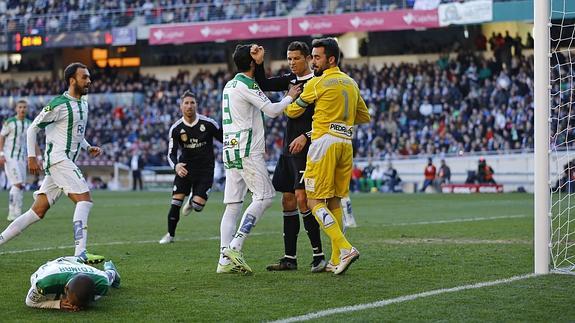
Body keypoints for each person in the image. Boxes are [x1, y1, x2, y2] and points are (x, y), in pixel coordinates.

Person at [0, 62, 104, 264]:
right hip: (58, 160)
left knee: (36, 212)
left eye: (89, 77)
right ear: (72, 80)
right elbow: (33, 128)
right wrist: (32, 157)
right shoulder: (58, 104)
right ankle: (80, 253)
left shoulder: (84, 104)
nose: (89, 81)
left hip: (61, 163)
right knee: (84, 200)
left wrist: (88, 147)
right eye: (85, 77)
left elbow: (76, 134)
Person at [285, 37, 370, 275]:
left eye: (317, 57)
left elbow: (292, 111)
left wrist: (292, 98)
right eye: (312, 56)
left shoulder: (318, 83)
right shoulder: (351, 83)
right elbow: (364, 116)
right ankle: (335, 259)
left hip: (323, 143)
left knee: (313, 201)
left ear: (331, 59)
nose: (313, 61)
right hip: (345, 144)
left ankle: (345, 248)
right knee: (334, 200)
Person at [217, 44, 301, 274]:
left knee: (233, 205)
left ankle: (224, 260)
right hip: (247, 149)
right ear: (252, 62)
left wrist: (258, 61)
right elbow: (272, 110)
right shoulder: (246, 84)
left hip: (230, 148)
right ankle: (235, 246)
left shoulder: (229, 84)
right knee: (265, 197)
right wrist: (289, 97)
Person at [251, 41, 326, 272]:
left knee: (303, 199)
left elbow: (324, 119)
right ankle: (289, 259)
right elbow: (262, 83)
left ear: (307, 59)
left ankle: (319, 255)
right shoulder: (290, 81)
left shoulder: (318, 83)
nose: (292, 63)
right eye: (289, 58)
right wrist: (259, 62)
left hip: (308, 149)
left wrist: (306, 135)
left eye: (296, 58)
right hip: (287, 150)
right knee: (288, 200)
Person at [159, 90, 223, 244]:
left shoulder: (208, 124)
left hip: (205, 170)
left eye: (192, 103)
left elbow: (224, 140)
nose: (189, 106)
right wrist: (176, 166)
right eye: (186, 103)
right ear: (181, 107)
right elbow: (171, 153)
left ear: (197, 105)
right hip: (185, 169)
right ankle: (170, 235)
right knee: (175, 203)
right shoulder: (176, 128)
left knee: (198, 206)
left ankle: (193, 201)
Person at [26, 256, 120, 311]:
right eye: (74, 303)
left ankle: (109, 267)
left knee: (110, 276)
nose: (75, 307)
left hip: (79, 266)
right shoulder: (44, 283)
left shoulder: (102, 282)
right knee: (49, 297)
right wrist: (57, 304)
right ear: (66, 288)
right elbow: (30, 302)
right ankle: (82, 257)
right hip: (57, 265)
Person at [0, 100, 39, 221]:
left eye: (24, 107)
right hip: (10, 157)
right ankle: (12, 212)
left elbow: (34, 141)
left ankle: (18, 211)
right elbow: (1, 137)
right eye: (20, 107)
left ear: (27, 109)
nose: (22, 109)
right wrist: (1, 153)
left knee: (21, 185)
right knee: (17, 184)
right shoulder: (10, 122)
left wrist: (39, 156)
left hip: (22, 157)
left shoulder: (29, 123)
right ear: (16, 109)